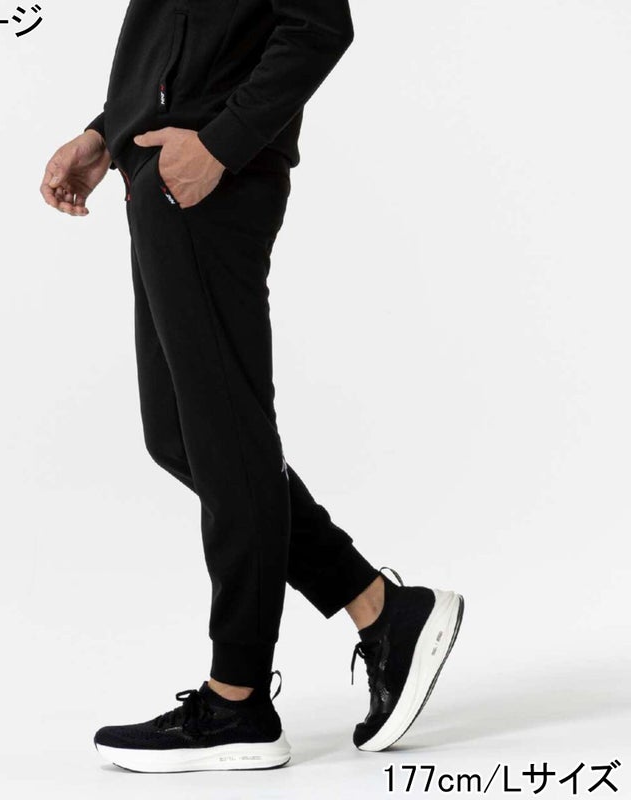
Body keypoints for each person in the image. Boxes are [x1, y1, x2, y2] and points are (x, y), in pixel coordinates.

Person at [40, 0, 464, 773]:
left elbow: (318, 25)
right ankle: (380, 608)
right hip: (161, 173)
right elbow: (182, 24)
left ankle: (236, 699)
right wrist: (109, 131)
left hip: (209, 178)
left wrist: (221, 144)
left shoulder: (214, 155)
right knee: (180, 436)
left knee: (223, 434)